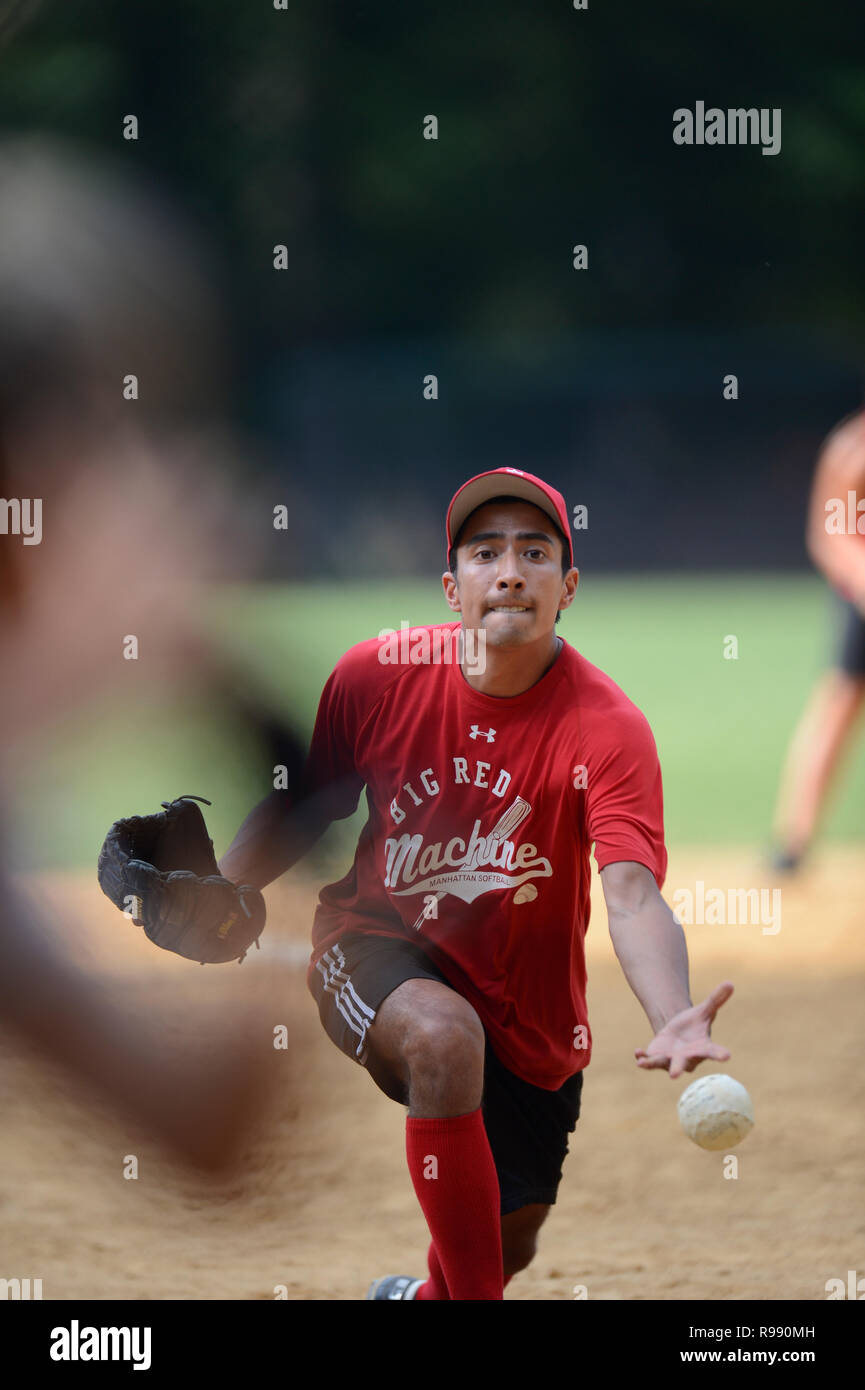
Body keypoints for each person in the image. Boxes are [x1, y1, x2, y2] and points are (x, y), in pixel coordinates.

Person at [219, 466, 734, 1300]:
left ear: (566, 587)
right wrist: (221, 887)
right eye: (484, 551)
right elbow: (304, 806)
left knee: (504, 1241)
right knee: (442, 1036)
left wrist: (670, 1013)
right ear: (450, 585)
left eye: (534, 552)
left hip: (531, 1016)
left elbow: (632, 892)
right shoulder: (375, 676)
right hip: (371, 947)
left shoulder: (606, 728)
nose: (508, 571)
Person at [771, 409, 865, 871]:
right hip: (860, 591)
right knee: (840, 703)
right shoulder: (853, 448)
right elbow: (831, 534)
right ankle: (794, 841)